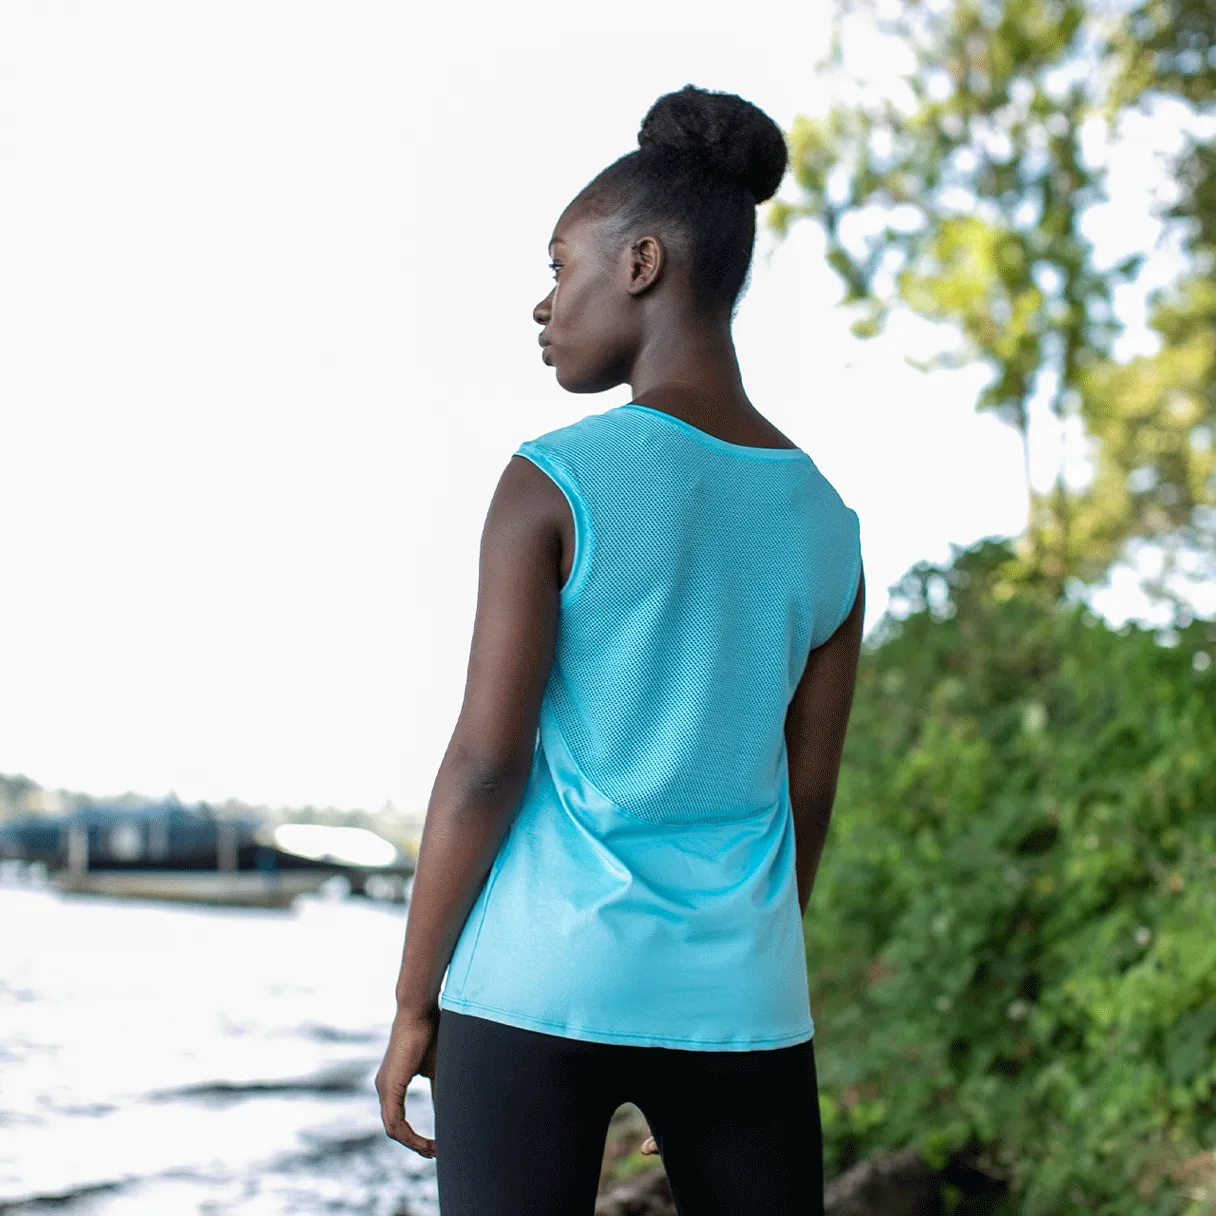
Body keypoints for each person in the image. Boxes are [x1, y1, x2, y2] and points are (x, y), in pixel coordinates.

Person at [375, 84, 865, 1216]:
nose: (544, 305)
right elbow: (808, 793)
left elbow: (485, 766)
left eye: (560, 266)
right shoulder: (827, 522)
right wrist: (736, 994)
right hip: (739, 996)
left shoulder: (552, 479)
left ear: (640, 262)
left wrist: (414, 1003)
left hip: (535, 980)